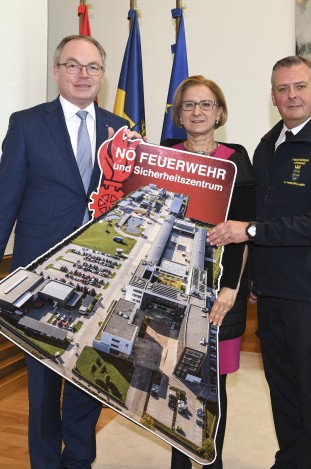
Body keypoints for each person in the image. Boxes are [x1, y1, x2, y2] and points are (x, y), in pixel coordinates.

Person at [207, 56, 311, 469]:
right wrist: (254, 275)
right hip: (272, 294)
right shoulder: (269, 142)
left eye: (299, 86)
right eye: (282, 88)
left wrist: (250, 231)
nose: (291, 95)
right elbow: (265, 206)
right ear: (272, 96)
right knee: (284, 392)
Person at [0, 35, 142, 468]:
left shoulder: (122, 129)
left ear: (102, 73)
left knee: (89, 375)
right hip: (40, 271)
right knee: (42, 382)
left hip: (102, 275)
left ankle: (78, 460)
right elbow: (5, 200)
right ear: (57, 71)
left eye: (92, 67)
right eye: (73, 65)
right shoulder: (26, 123)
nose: (83, 75)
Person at [164, 75, 257, 469]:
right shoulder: (166, 154)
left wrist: (232, 289)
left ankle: (209, 460)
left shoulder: (236, 159)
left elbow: (244, 230)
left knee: (212, 385)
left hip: (221, 289)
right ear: (178, 114)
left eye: (206, 104)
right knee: (171, 377)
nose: (197, 112)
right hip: (170, 285)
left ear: (219, 112)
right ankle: (179, 459)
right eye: (189, 105)